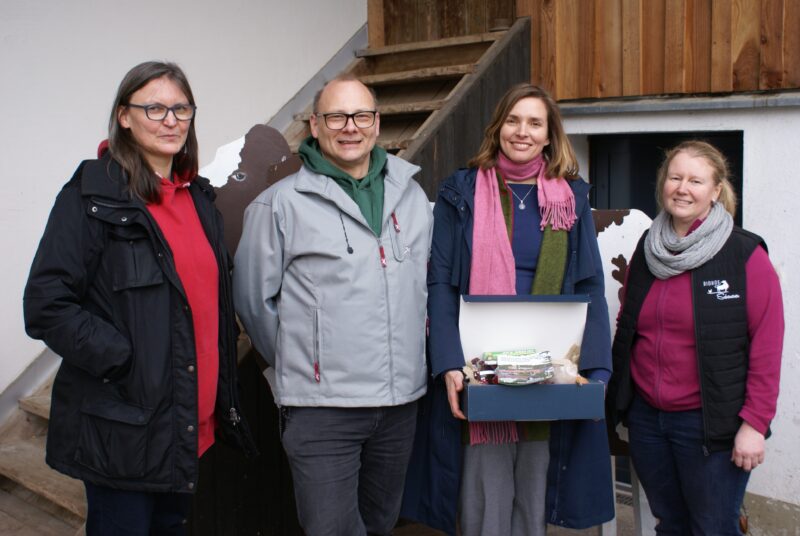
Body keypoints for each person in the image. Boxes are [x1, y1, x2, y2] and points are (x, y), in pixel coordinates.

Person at [23, 61, 255, 535]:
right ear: (124, 117)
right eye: (154, 108)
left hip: (189, 424)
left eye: (181, 109)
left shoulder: (198, 199)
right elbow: (46, 304)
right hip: (125, 427)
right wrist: (124, 360)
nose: (171, 120)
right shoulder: (92, 195)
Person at [402, 83, 614, 535]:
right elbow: (440, 283)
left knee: (536, 486)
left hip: (550, 364)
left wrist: (597, 371)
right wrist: (448, 364)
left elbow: (590, 284)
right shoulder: (460, 191)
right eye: (513, 120)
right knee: (485, 491)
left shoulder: (571, 197)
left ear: (549, 135)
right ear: (498, 127)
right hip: (479, 365)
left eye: (535, 123)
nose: (522, 132)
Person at [234, 76, 433, 536]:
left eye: (361, 116)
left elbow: (425, 287)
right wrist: (306, 364)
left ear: (376, 123)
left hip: (400, 404)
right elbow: (252, 301)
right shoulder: (278, 205)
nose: (350, 127)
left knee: (381, 524)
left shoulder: (413, 197)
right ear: (315, 125)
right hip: (322, 410)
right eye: (337, 116)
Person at [607, 140, 784, 535]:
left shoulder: (744, 254)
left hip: (711, 424)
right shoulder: (649, 247)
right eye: (675, 177)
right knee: (670, 524)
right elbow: (628, 323)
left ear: (716, 190)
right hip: (649, 420)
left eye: (696, 180)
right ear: (663, 184)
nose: (683, 188)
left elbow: (767, 346)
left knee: (713, 527)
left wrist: (755, 424)